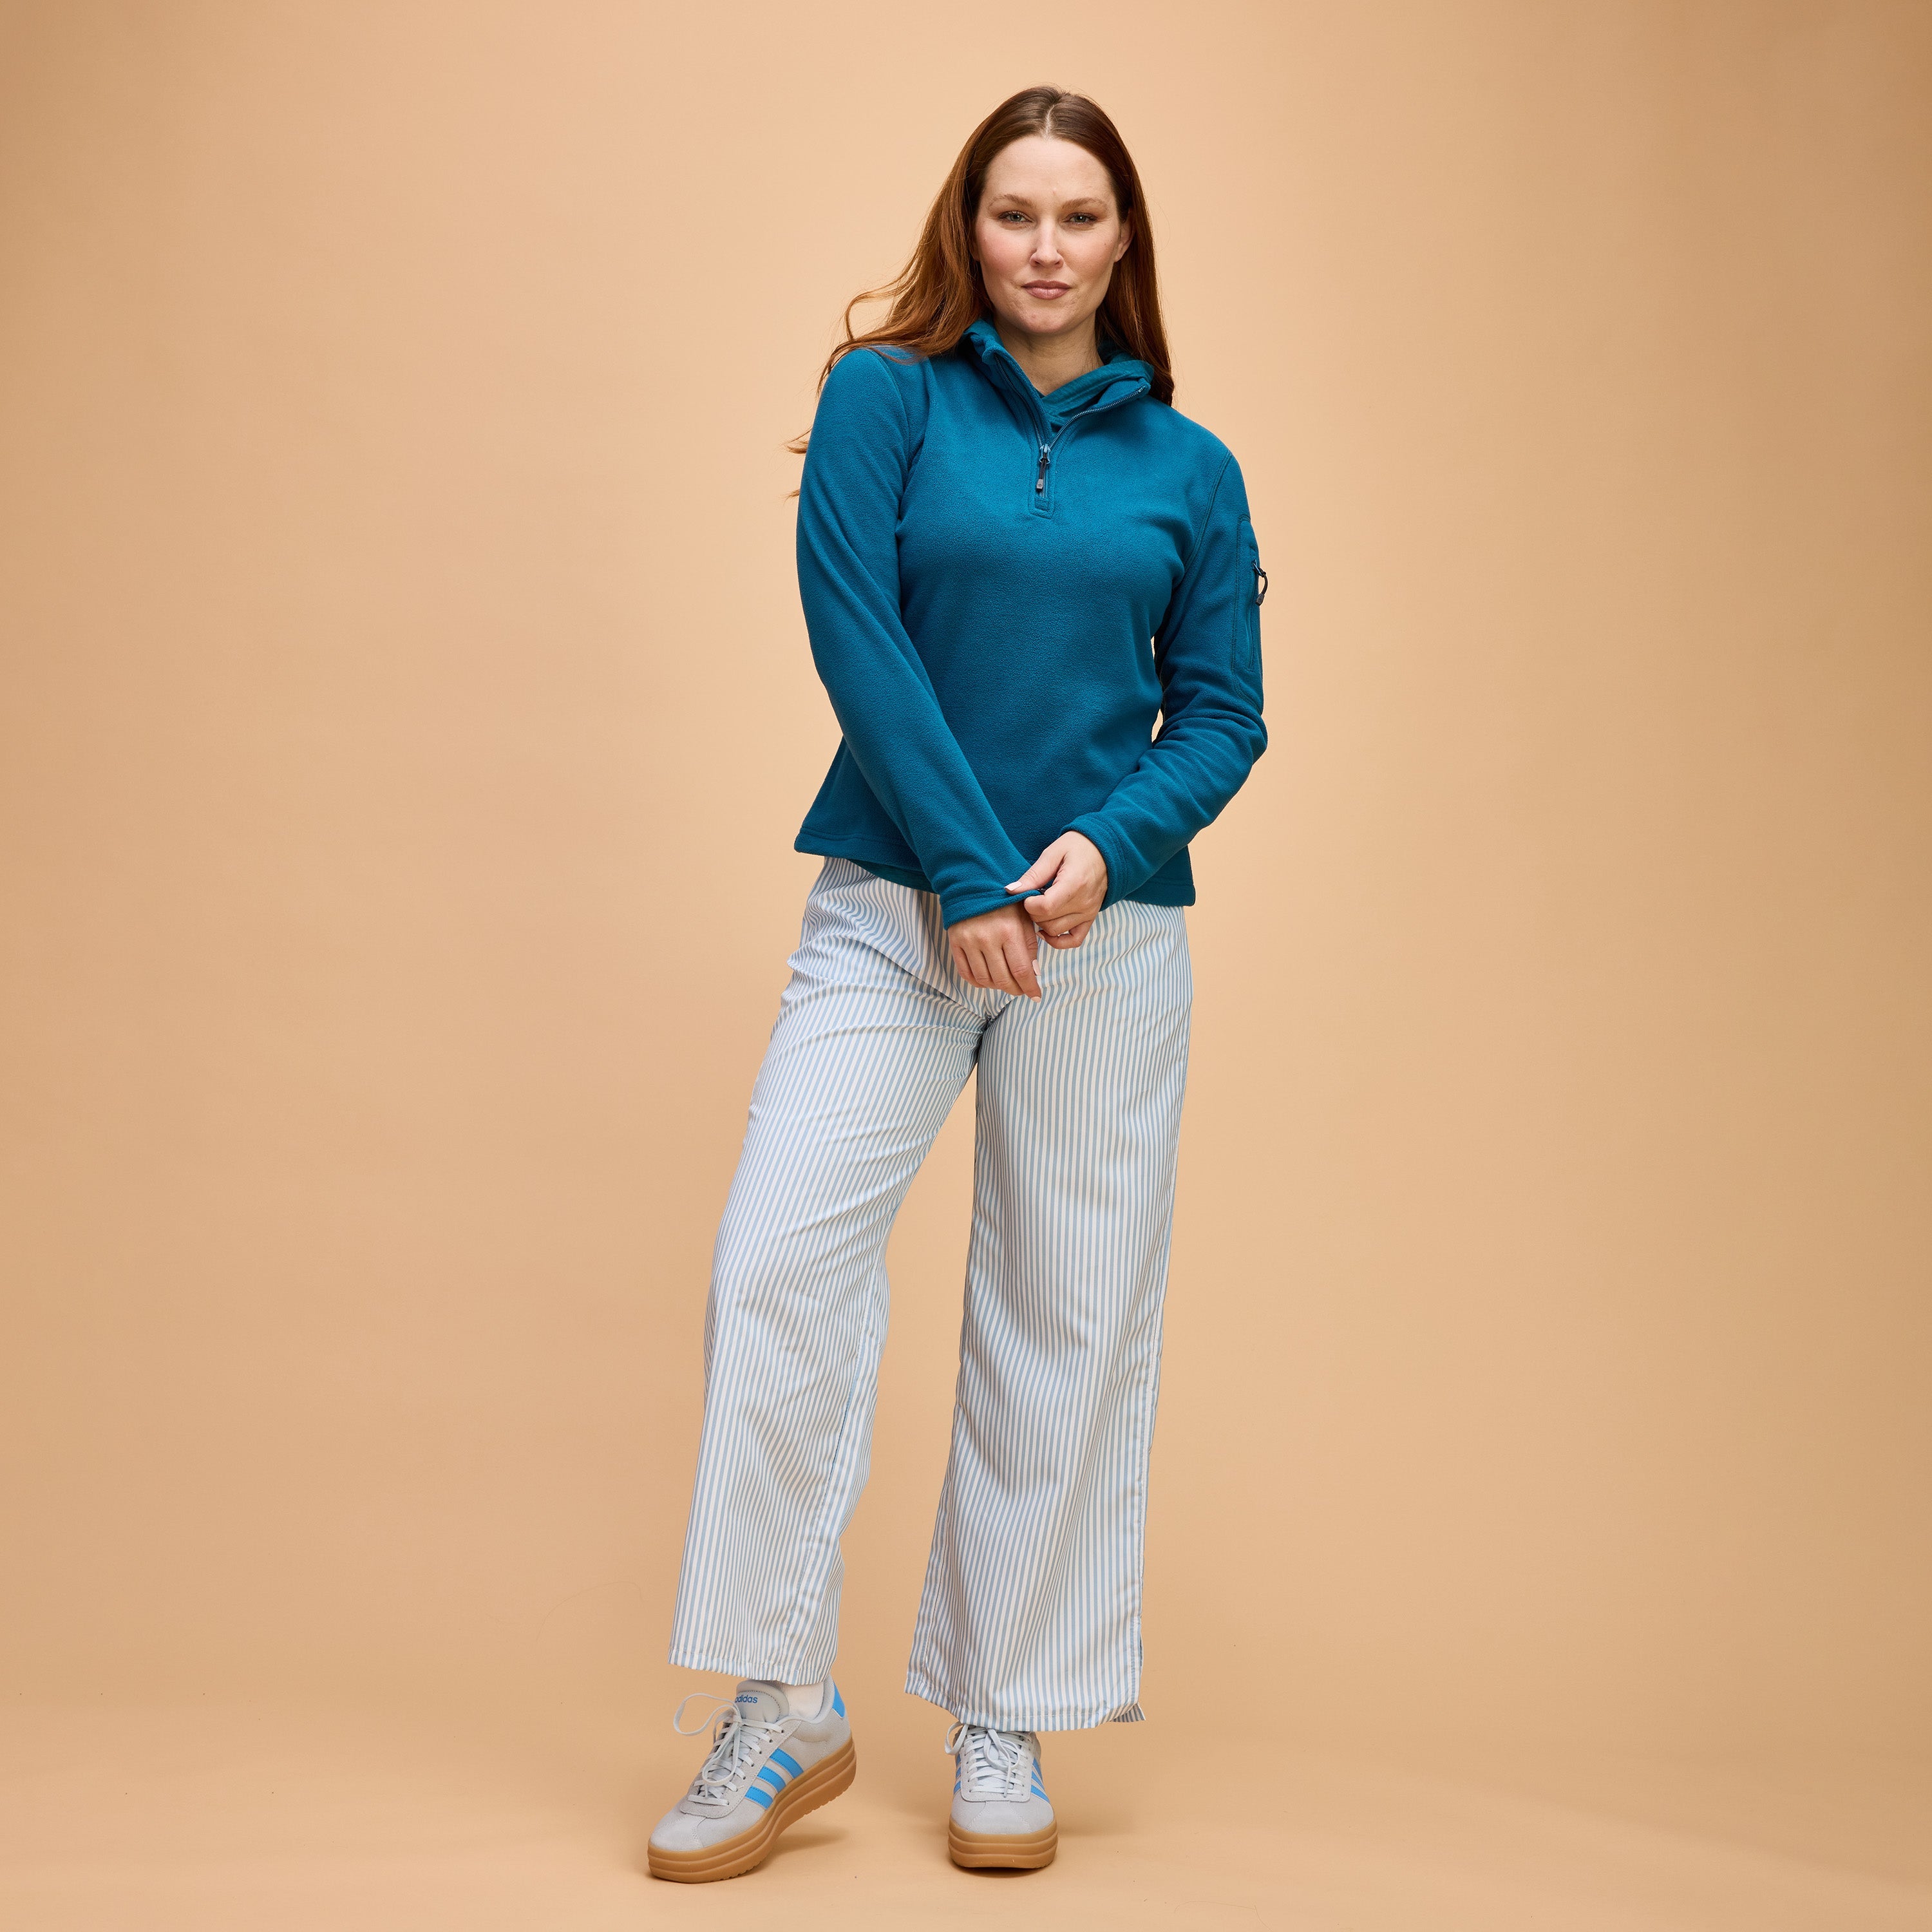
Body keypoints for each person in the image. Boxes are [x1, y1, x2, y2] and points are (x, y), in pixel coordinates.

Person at [647, 83, 1268, 1884]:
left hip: (1104, 938)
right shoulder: (887, 399)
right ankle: (783, 1701)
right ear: (968, 227)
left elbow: (1222, 715)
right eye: (1014, 214)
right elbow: (858, 636)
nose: (1045, 248)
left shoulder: (1194, 470)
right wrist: (969, 875)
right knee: (777, 1261)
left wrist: (1104, 851)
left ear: (1123, 239)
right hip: (897, 910)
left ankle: (1007, 1705)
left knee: (1067, 1318)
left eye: (1079, 217)